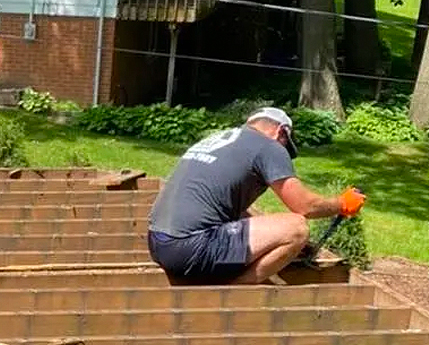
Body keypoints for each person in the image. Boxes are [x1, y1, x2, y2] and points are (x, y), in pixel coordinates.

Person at [147, 107, 366, 285]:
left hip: (158, 244)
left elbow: (229, 209)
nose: (284, 153)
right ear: (280, 132)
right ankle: (240, 287)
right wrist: (342, 203)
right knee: (297, 228)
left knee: (267, 225)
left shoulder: (220, 140)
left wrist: (271, 242)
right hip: (191, 249)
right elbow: (305, 207)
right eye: (286, 147)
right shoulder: (268, 146)